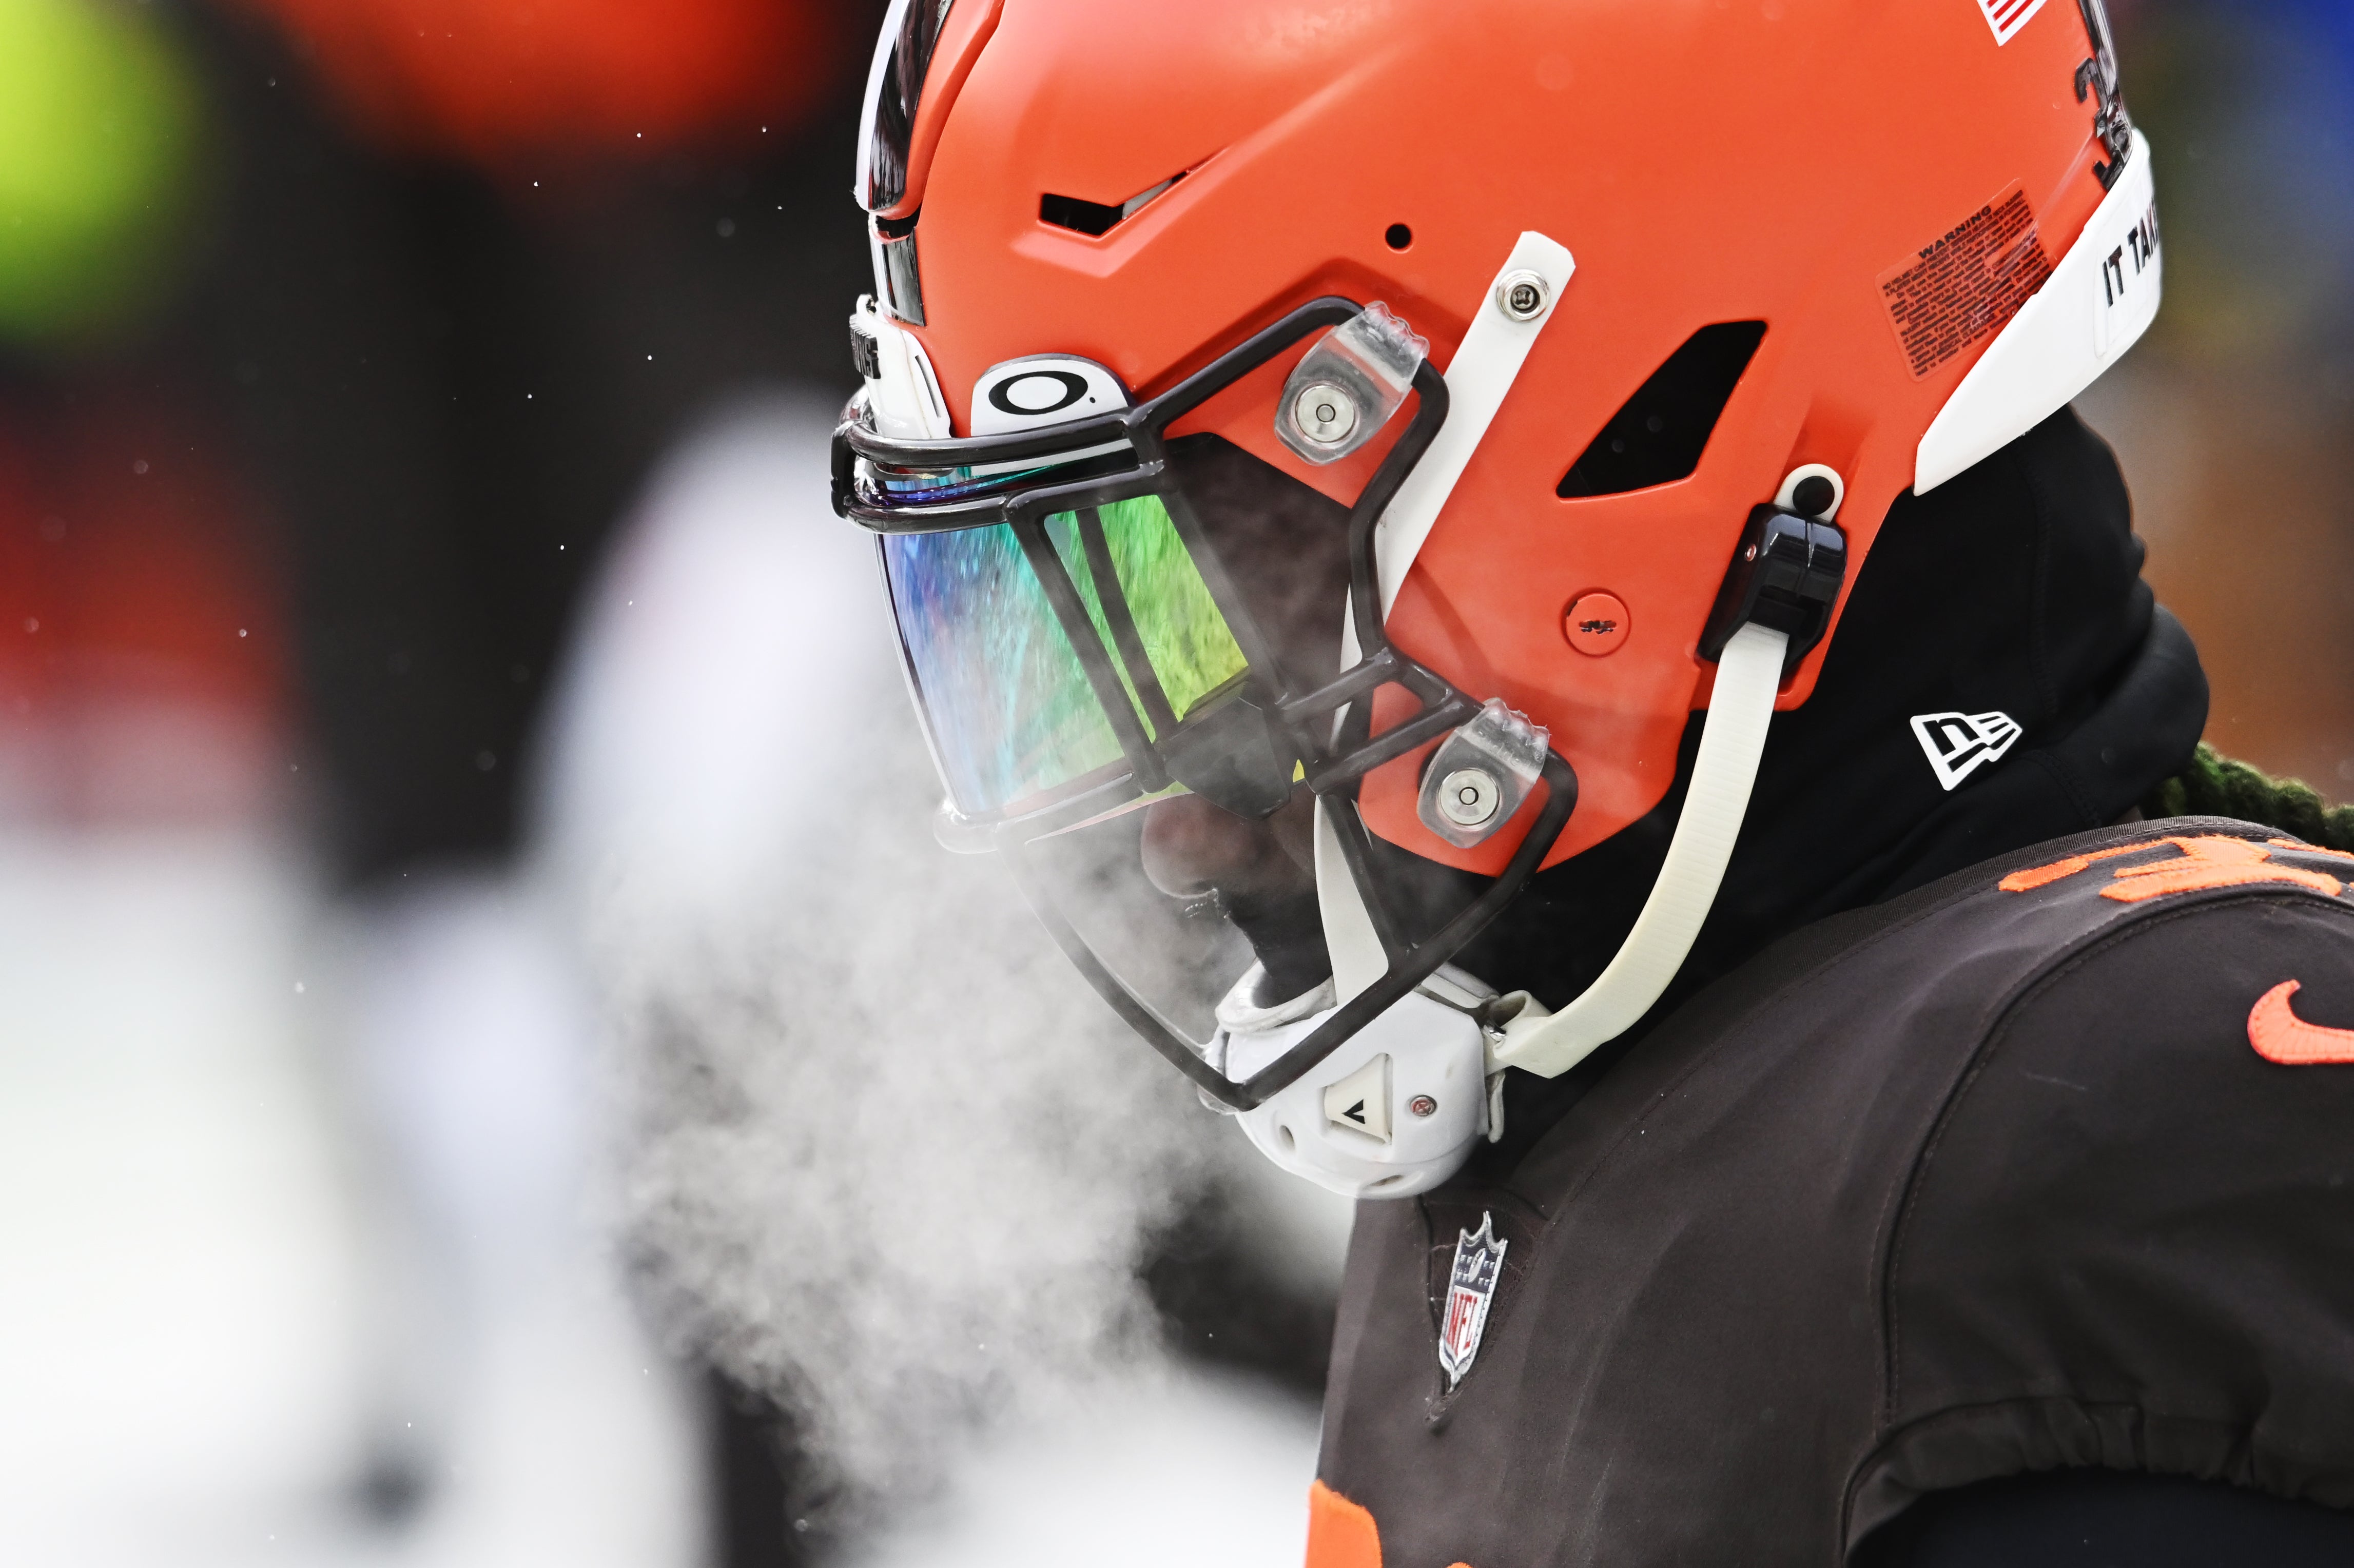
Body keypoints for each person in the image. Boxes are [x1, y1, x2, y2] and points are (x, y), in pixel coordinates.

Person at [827, 0, 2354, 1561]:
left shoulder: (2106, 1125)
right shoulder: (1585, 1056)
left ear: (1636, 430)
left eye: (1211, 605)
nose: (1178, 833)